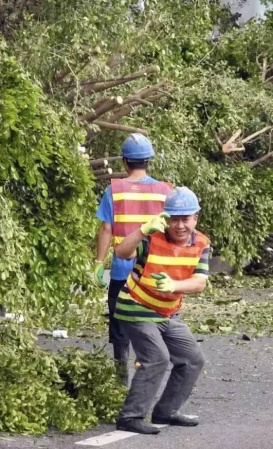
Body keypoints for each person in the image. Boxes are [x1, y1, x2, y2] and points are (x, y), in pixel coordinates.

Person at [114, 186, 210, 434]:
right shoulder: (151, 237)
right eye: (174, 219)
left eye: (185, 219)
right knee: (157, 358)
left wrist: (175, 285)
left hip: (167, 311)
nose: (179, 226)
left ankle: (165, 412)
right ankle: (130, 417)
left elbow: (199, 282)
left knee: (192, 359)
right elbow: (122, 252)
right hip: (135, 306)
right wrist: (142, 229)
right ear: (165, 218)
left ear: (195, 218)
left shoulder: (201, 243)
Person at [94, 133, 172, 385]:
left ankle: (120, 381)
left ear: (125, 161)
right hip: (151, 273)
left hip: (121, 271)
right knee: (148, 324)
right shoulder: (165, 191)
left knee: (119, 327)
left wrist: (98, 263)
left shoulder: (114, 189)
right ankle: (145, 376)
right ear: (148, 161)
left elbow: (106, 229)